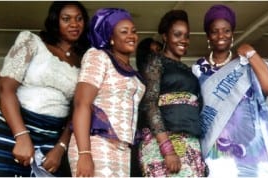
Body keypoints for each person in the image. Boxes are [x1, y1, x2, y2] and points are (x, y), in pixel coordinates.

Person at [0, 1, 90, 177]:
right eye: (66, 19)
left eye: (79, 19)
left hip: (51, 140)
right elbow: (4, 88)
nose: (74, 24)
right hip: (12, 131)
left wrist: (61, 147)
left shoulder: (86, 61)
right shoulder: (32, 42)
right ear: (54, 21)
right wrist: (21, 136)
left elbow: (78, 110)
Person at [192, 4, 268, 177]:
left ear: (232, 34)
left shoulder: (246, 64)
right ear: (208, 36)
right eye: (215, 31)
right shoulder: (198, 71)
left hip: (254, 152)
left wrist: (252, 54)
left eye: (226, 31)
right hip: (216, 155)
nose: (221, 36)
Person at [67, 8, 145, 177]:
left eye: (133, 31)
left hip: (122, 149)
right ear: (110, 37)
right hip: (96, 144)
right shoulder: (98, 56)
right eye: (124, 32)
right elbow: (82, 103)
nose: (131, 36)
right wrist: (84, 154)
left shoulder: (132, 70)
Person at [138, 10, 206, 177]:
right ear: (165, 37)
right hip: (164, 141)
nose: (184, 40)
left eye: (186, 36)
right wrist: (167, 149)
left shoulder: (188, 70)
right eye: (177, 34)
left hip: (190, 140)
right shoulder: (156, 61)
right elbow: (150, 103)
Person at [130, 37, 162, 177]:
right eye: (152, 52)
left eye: (159, 52)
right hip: (138, 138)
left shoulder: (168, 79)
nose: (156, 56)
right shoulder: (133, 80)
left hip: (164, 137)